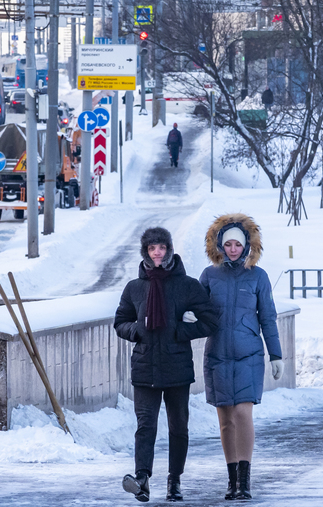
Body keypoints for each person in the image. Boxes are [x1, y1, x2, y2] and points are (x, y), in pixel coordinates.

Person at [114, 227, 218, 502]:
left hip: (177, 368)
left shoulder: (187, 285)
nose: (157, 253)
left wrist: (180, 331)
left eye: (161, 248)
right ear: (145, 252)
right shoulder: (135, 287)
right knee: (145, 425)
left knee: (178, 426)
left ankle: (174, 480)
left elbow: (210, 321)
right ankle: (142, 479)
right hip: (145, 367)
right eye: (151, 249)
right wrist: (137, 329)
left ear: (169, 249)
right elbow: (120, 322)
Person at [199, 214, 282, 501]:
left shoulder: (258, 277)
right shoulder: (210, 276)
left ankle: (245, 481)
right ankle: (232, 479)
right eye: (228, 244)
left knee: (243, 413)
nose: (233, 249)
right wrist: (188, 317)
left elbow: (268, 318)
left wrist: (276, 354)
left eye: (238, 244)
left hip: (249, 354)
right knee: (225, 419)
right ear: (220, 246)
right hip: (218, 355)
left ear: (247, 245)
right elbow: (197, 307)